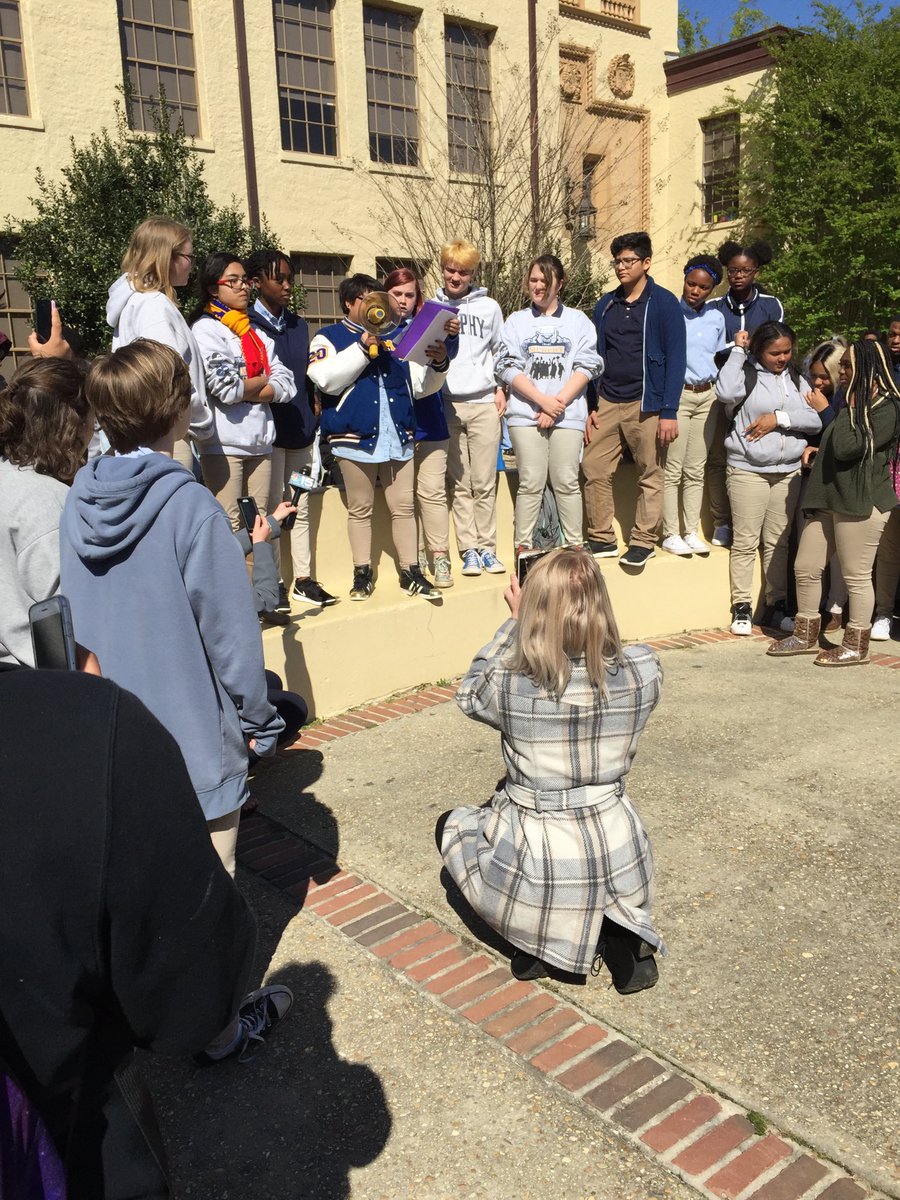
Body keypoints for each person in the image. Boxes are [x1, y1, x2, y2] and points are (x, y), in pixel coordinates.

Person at [0, 662, 293, 1197]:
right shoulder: (82, 724)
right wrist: (263, 721)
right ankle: (230, 1043)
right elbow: (192, 1004)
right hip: (79, 1143)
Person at [59, 340, 284, 876]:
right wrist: (259, 720)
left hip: (111, 736)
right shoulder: (191, 508)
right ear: (179, 407)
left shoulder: (77, 498)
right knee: (207, 905)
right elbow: (230, 635)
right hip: (192, 742)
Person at [437, 548, 662, 991]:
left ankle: (533, 940)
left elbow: (469, 695)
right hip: (618, 842)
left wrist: (515, 622)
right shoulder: (644, 670)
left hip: (540, 847)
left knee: (454, 825)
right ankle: (619, 935)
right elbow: (611, 659)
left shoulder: (509, 683)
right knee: (601, 875)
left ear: (535, 608)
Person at [307, 273, 449, 601]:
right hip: (352, 437)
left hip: (398, 436)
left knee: (403, 507)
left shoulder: (395, 339)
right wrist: (361, 347)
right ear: (349, 303)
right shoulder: (328, 337)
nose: (377, 307)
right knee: (360, 508)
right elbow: (325, 380)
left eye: (379, 301)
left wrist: (439, 364)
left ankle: (411, 571)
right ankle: (362, 574)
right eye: (368, 300)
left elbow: (422, 386)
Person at [770, 340, 900, 663]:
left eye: (846, 366)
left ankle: (856, 644)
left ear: (867, 369)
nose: (840, 372)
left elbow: (847, 447)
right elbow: (835, 443)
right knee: (806, 567)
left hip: (862, 499)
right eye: (841, 365)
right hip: (829, 496)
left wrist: (835, 411)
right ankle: (805, 634)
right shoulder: (849, 401)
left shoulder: (889, 407)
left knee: (856, 575)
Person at [584, 231, 686, 571]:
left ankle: (644, 541)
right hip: (608, 399)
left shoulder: (664, 303)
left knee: (650, 472)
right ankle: (601, 537)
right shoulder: (605, 304)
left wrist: (669, 410)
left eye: (628, 261)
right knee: (594, 465)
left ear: (646, 263)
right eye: (617, 261)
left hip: (649, 402)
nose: (621, 267)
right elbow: (594, 356)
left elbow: (676, 357)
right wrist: (591, 404)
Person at [716, 321, 822, 635]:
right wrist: (738, 350)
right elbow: (724, 391)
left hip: (788, 471)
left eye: (787, 351)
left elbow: (816, 417)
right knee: (746, 541)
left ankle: (776, 607)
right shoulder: (746, 374)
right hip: (747, 469)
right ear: (759, 350)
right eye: (775, 352)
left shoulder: (796, 379)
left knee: (778, 542)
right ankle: (743, 608)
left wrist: (779, 418)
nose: (782, 358)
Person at [246, 248, 337, 609]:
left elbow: (307, 378)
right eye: (278, 278)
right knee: (270, 509)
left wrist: (314, 413)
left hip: (300, 431)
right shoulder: (247, 325)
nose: (287, 285)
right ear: (256, 282)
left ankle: (303, 579)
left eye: (289, 278)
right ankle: (276, 584)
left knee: (299, 505)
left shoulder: (299, 326)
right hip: (268, 436)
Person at [496, 254, 602, 549]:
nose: (538, 286)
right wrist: (542, 401)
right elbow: (506, 366)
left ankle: (574, 547)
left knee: (566, 481)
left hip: (567, 414)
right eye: (533, 279)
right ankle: (524, 547)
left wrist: (558, 405)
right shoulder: (516, 321)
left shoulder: (578, 321)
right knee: (530, 481)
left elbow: (588, 365)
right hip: (525, 415)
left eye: (545, 280)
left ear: (560, 283)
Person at [190, 252, 295, 530]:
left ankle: (258, 576)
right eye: (233, 281)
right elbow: (225, 389)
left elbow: (287, 384)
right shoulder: (206, 330)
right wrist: (263, 378)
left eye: (244, 281)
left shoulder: (255, 334)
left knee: (259, 525)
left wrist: (249, 384)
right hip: (223, 446)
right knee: (229, 527)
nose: (243, 287)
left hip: (261, 443)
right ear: (214, 288)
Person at [0, 357, 92, 666]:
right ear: (73, 424)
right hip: (41, 679)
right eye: (92, 417)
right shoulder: (47, 501)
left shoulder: (8, 477)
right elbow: (69, 619)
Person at [106, 217, 213, 469]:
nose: (191, 266)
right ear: (168, 257)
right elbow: (169, 376)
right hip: (168, 434)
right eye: (189, 257)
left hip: (149, 431)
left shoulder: (136, 301)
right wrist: (199, 416)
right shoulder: (153, 305)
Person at [707, 240, 786, 548]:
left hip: (758, 389)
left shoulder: (771, 305)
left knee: (752, 450)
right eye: (733, 270)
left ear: (757, 271)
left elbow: (774, 345)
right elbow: (709, 351)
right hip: (721, 389)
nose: (738, 275)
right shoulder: (713, 308)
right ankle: (721, 521)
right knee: (717, 457)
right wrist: (735, 346)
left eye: (745, 270)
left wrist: (747, 346)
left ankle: (755, 524)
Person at [383, 267, 458, 589]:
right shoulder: (376, 329)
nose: (402, 300)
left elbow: (447, 357)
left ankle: (439, 556)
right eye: (397, 293)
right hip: (395, 427)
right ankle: (413, 559)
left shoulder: (432, 327)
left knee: (433, 493)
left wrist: (446, 346)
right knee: (404, 499)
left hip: (431, 422)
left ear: (418, 299)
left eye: (409, 294)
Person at [436, 240, 507, 578]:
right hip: (447, 402)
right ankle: (468, 550)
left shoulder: (489, 307)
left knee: (484, 480)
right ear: (443, 268)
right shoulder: (432, 306)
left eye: (463, 271)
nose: (456, 276)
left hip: (482, 402)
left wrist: (500, 388)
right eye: (451, 269)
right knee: (459, 482)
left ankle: (487, 548)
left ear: (473, 273)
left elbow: (500, 351)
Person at [661, 253, 726, 557]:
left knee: (696, 467)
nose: (695, 291)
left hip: (707, 396)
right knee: (673, 467)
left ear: (711, 290)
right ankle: (671, 532)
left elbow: (718, 357)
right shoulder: (669, 311)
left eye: (703, 287)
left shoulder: (716, 318)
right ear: (684, 279)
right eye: (691, 283)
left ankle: (691, 530)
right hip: (679, 395)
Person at [801, 339, 847, 631]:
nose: (818, 382)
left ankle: (837, 606)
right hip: (814, 477)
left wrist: (824, 410)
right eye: (814, 375)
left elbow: (845, 439)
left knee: (842, 551)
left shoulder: (846, 396)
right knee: (813, 553)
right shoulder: (813, 392)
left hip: (841, 484)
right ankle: (811, 609)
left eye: (824, 376)